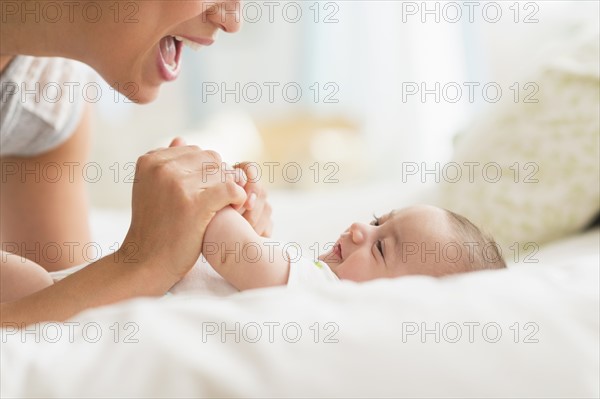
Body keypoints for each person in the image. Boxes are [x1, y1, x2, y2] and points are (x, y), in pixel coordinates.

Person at [0, 1, 273, 325]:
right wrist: (141, 268)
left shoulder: (47, 97)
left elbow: (59, 315)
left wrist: (198, 257)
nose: (230, 19)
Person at [203, 204, 507, 291]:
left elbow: (232, 251)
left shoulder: (324, 289)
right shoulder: (314, 274)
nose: (360, 229)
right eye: (376, 222)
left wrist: (212, 196)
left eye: (381, 249)